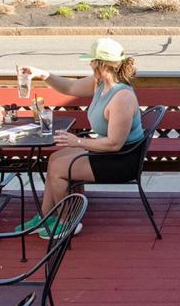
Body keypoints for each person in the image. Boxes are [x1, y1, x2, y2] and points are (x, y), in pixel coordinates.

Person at [20, 37, 144, 237]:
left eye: (92, 60)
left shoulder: (122, 97)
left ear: (102, 64)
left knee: (59, 169)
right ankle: (45, 216)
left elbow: (114, 143)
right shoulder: (100, 83)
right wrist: (42, 74)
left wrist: (77, 141)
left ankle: (68, 221)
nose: (89, 64)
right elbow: (69, 88)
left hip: (122, 159)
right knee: (54, 158)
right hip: (107, 152)